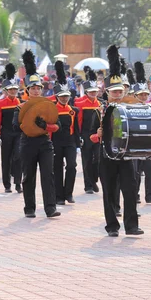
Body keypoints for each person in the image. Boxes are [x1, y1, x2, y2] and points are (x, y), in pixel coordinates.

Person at [90, 45, 143, 237]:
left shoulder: (131, 108)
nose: (118, 95)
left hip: (127, 156)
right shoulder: (99, 111)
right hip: (107, 156)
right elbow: (90, 136)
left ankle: (132, 226)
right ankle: (112, 226)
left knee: (130, 191)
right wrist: (98, 134)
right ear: (107, 93)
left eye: (120, 91)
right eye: (114, 92)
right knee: (109, 192)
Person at [13, 50, 61, 219]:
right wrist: (28, 124)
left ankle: (50, 208)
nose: (35, 91)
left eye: (38, 88)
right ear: (27, 90)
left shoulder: (49, 105)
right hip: (27, 143)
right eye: (32, 88)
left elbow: (57, 126)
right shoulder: (20, 107)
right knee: (29, 177)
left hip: (44, 143)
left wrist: (45, 125)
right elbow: (15, 126)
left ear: (42, 89)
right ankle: (29, 208)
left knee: (48, 174)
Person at [52, 61, 80, 205]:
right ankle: (59, 196)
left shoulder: (73, 110)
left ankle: (69, 193)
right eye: (61, 96)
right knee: (57, 169)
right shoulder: (51, 109)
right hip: (56, 142)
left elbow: (76, 128)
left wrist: (78, 143)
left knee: (71, 166)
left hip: (70, 142)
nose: (64, 98)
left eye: (66, 96)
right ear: (57, 96)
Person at [0, 63, 22, 193]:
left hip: (18, 134)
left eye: (15, 89)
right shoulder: (0, 104)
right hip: (6, 133)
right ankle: (7, 184)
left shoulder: (20, 102)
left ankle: (18, 183)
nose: (13, 92)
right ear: (5, 90)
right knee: (6, 158)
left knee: (18, 157)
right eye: (10, 90)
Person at [132, 62, 151, 204]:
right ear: (135, 95)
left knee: (149, 169)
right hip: (135, 144)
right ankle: (135, 195)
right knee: (135, 172)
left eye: (145, 94)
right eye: (140, 94)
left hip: (148, 144)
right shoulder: (130, 108)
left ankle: (150, 195)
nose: (143, 96)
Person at [75, 66, 102, 194]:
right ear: (86, 92)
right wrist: (79, 136)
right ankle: (88, 185)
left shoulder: (100, 104)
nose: (93, 93)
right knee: (86, 160)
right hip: (85, 134)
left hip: (98, 134)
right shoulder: (80, 104)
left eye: (95, 91)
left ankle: (93, 179)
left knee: (97, 159)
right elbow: (79, 121)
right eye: (91, 91)